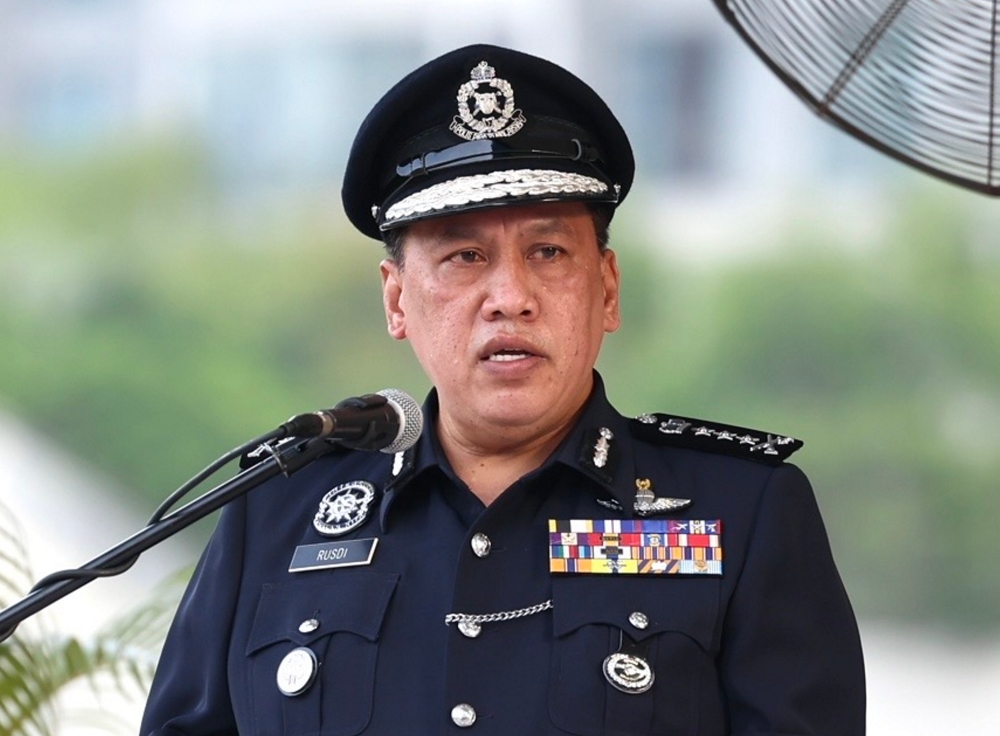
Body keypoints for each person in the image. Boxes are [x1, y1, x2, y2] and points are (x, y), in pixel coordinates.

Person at [140, 44, 865, 735]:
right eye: (464, 256)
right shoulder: (275, 513)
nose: (510, 297)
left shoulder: (741, 513)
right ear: (396, 300)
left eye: (548, 252)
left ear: (607, 290)